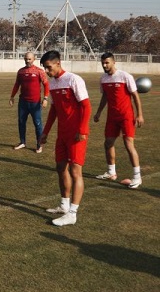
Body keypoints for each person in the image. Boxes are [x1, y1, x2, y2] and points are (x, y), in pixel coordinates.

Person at [39, 50, 91, 227]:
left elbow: (86, 106)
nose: (46, 71)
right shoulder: (53, 83)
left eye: (48, 67)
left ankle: (72, 213)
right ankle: (64, 205)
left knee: (76, 171)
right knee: (60, 167)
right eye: (45, 68)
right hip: (62, 134)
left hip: (76, 134)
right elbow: (54, 110)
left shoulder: (73, 79)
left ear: (58, 63)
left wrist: (82, 130)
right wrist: (45, 132)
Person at [93, 52, 144, 189]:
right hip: (112, 117)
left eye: (107, 62)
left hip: (126, 116)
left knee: (129, 145)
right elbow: (105, 97)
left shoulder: (125, 76)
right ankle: (111, 172)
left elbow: (135, 95)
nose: (104, 65)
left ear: (114, 62)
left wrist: (139, 114)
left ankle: (137, 177)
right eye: (103, 63)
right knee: (108, 143)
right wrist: (98, 112)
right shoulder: (103, 79)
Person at [9, 51, 50, 153]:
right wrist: (12, 97)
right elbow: (16, 85)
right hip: (23, 102)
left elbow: (46, 85)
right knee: (21, 122)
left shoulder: (39, 71)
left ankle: (39, 144)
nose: (27, 61)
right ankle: (22, 142)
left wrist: (45, 98)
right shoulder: (21, 72)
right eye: (26, 59)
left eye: (29, 59)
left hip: (35, 103)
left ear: (34, 59)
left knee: (37, 124)